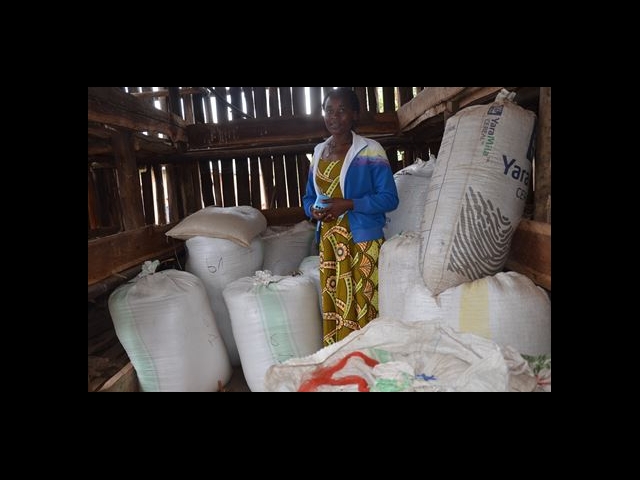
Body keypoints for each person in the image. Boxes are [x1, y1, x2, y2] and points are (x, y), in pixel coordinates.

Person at [303, 87, 399, 347]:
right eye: (329, 110)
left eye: (342, 110)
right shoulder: (319, 152)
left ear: (355, 115)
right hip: (330, 243)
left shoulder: (370, 150)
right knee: (337, 305)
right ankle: (343, 358)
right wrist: (313, 211)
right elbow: (309, 197)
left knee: (365, 304)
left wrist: (348, 204)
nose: (334, 117)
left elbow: (389, 198)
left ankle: (369, 357)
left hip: (362, 242)